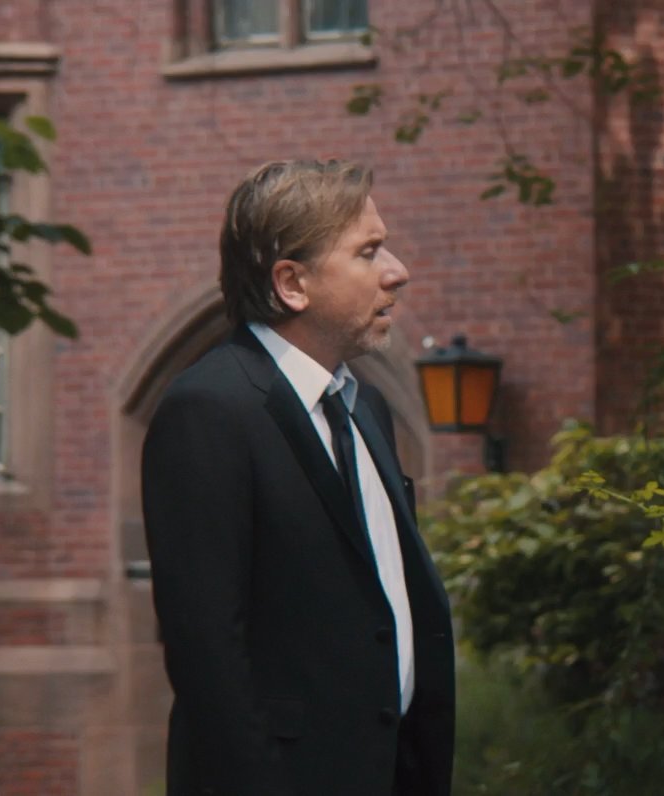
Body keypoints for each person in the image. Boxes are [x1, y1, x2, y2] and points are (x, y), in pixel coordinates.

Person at [141, 159, 455, 795]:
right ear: (292, 283)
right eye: (368, 252)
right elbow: (208, 656)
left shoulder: (365, 408)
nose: (397, 271)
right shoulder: (210, 410)